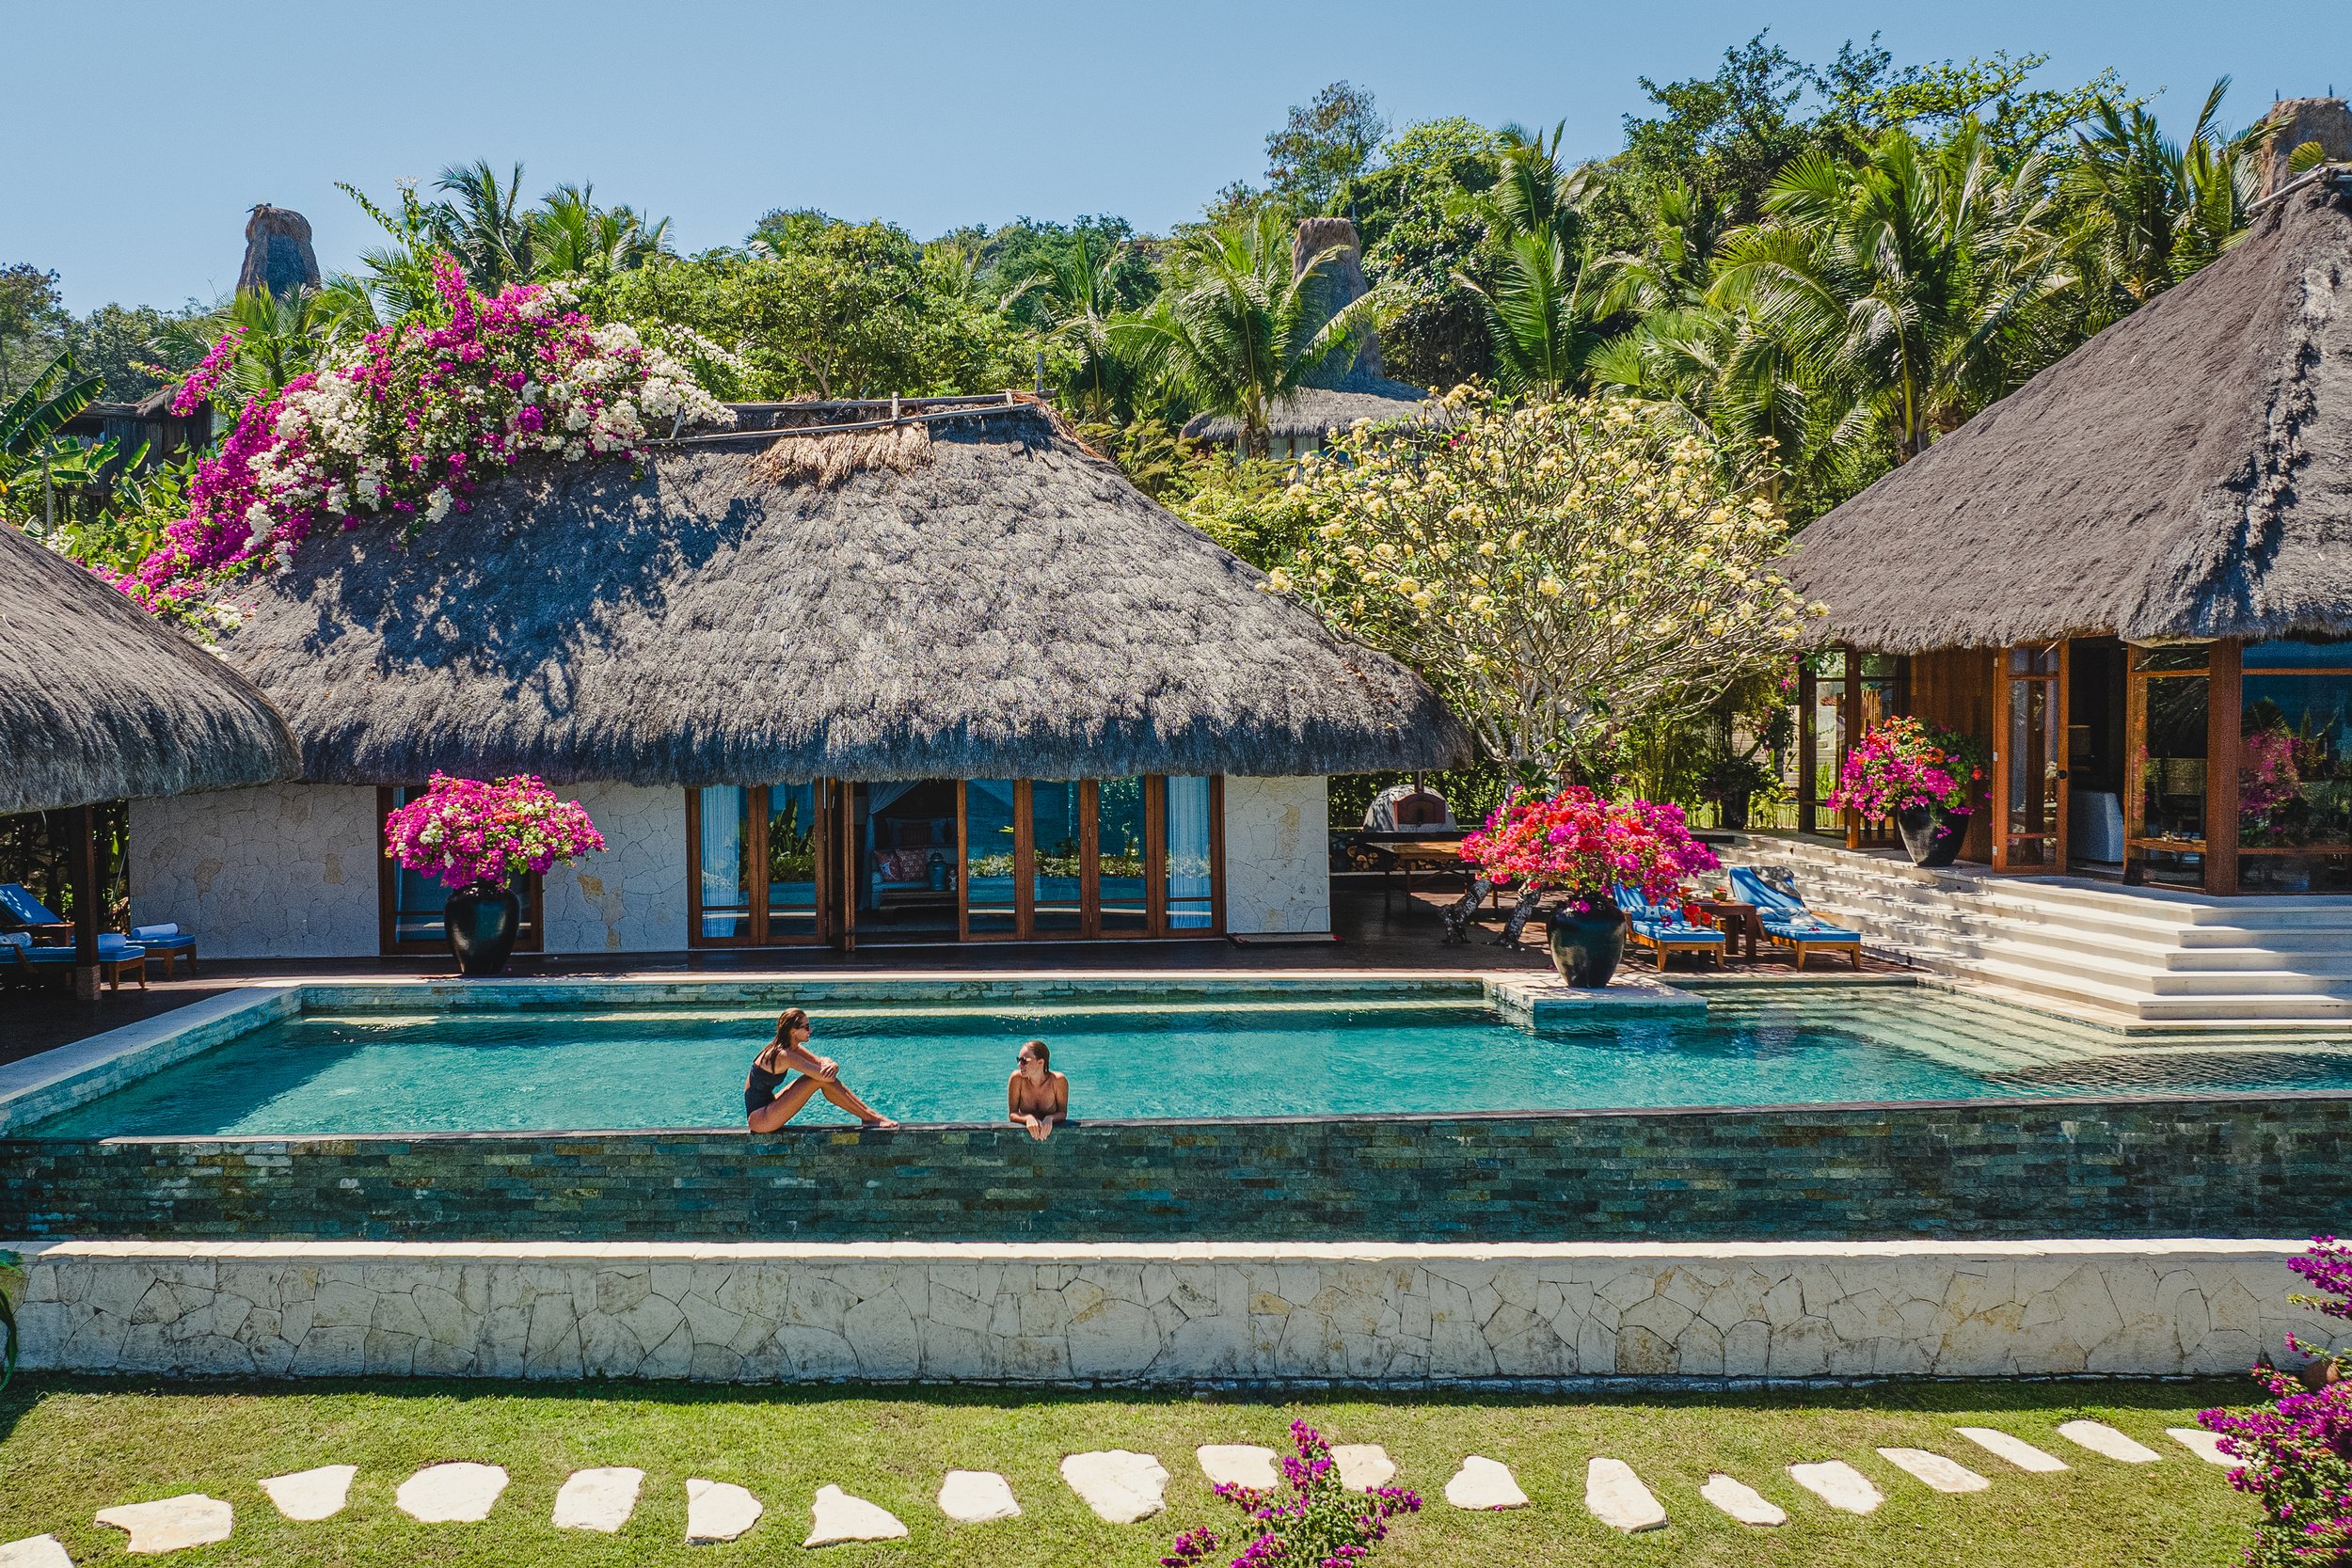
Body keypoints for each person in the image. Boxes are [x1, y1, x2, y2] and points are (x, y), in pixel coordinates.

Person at [744, 1007, 896, 1132]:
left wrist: (833, 1064)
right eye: (806, 1027)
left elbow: (820, 1062)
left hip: (768, 1106)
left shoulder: (791, 1047)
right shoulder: (784, 1055)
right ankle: (870, 1117)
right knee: (818, 1079)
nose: (810, 1030)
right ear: (793, 1031)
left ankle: (871, 1116)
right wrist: (830, 1068)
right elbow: (823, 1075)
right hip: (760, 1120)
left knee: (819, 1078)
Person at [1006, 1038, 1068, 1141]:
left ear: (1040, 1062)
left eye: (1024, 1061)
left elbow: (1062, 1112)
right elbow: (1012, 1114)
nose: (1019, 1065)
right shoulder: (1016, 1079)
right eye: (1018, 1060)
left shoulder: (1058, 1081)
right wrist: (1028, 1118)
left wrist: (1050, 1118)